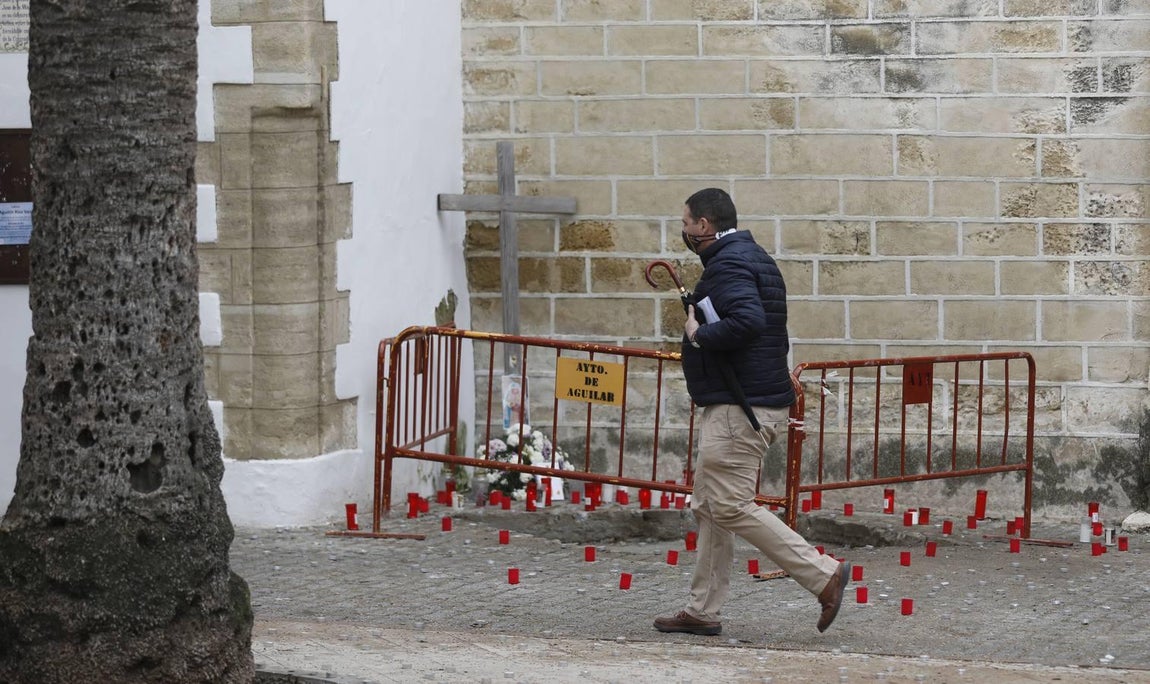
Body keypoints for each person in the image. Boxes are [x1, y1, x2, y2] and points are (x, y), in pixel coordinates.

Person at [653, 187, 849, 637]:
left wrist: (698, 333)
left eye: (686, 223)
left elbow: (748, 321)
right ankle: (702, 609)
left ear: (704, 225)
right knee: (709, 505)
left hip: (741, 406)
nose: (683, 231)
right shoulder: (750, 255)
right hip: (745, 400)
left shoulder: (729, 262)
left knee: (729, 504)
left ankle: (823, 574)